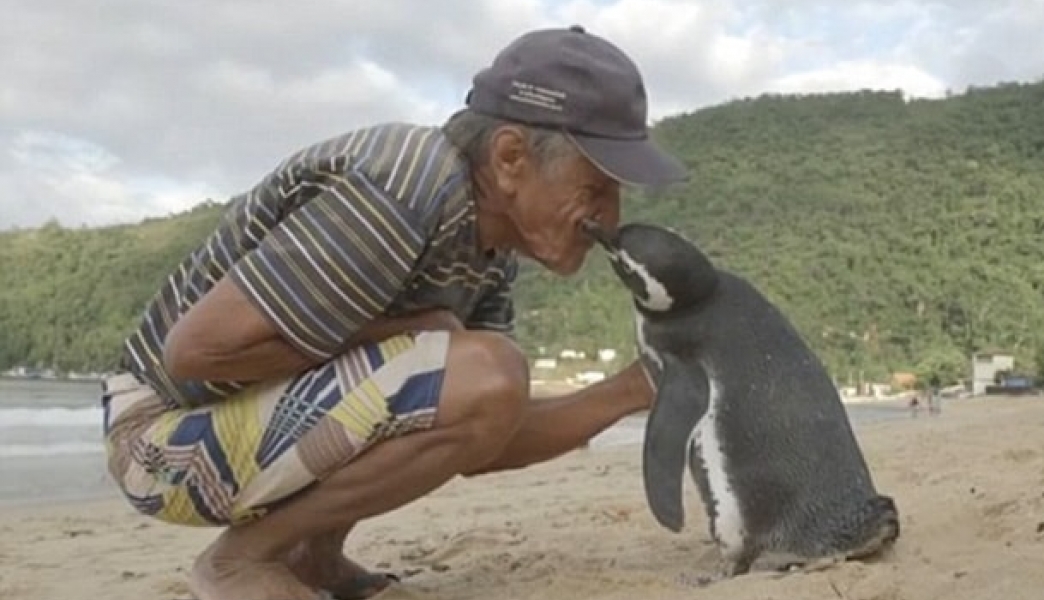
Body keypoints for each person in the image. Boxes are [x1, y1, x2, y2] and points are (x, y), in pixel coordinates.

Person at [101, 25, 687, 600]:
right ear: (511, 157)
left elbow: (484, 431)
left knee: (486, 374)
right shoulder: (404, 186)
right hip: (157, 442)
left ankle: (313, 555)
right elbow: (194, 353)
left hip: (230, 433)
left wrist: (635, 388)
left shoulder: (486, 252)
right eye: (596, 187)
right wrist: (409, 330)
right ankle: (241, 561)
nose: (609, 218)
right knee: (484, 368)